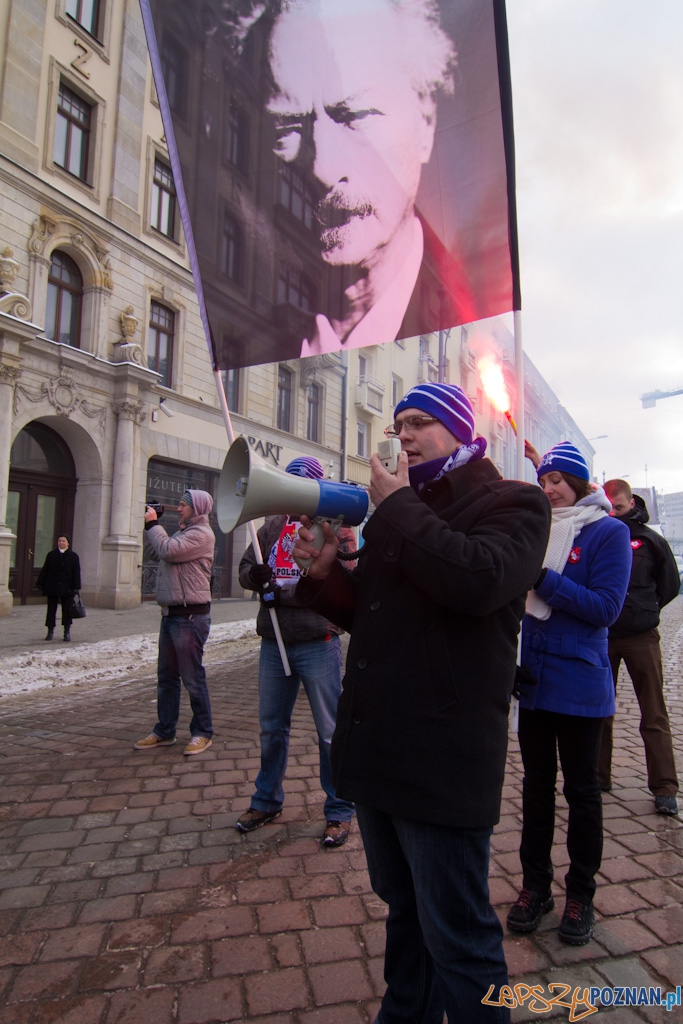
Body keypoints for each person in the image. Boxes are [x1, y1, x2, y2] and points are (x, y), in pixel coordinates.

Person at [292, 383, 551, 1022]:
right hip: (380, 750)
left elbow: (478, 579)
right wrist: (327, 577)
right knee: (404, 913)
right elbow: (377, 614)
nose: (402, 435)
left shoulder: (514, 503)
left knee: (459, 938)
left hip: (441, 755)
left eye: (420, 423)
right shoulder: (405, 511)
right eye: (400, 424)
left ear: (461, 431)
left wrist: (400, 508)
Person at [265, 0, 468, 357]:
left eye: (354, 116)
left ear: (424, 121)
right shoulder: (258, 328)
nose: (321, 169)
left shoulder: (461, 311)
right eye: (289, 126)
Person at [507, 442, 631, 946]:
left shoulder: (609, 531)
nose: (549, 488)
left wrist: (543, 579)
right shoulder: (539, 531)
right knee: (535, 790)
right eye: (544, 480)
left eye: (558, 480)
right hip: (533, 680)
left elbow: (605, 608)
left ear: (580, 483)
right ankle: (536, 886)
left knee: (581, 793)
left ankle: (581, 891)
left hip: (580, 684)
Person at [236, 456, 356, 848]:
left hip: (317, 644)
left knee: (329, 733)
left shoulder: (335, 527)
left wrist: (281, 592)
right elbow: (245, 569)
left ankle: (339, 809)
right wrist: (254, 578)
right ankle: (266, 800)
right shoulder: (270, 527)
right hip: (274, 643)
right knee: (272, 729)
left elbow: (341, 582)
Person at [599, 479, 680, 815]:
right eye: (608, 508)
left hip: (641, 637)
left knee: (654, 713)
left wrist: (646, 609)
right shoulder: (599, 536)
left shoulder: (650, 540)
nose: (612, 514)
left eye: (617, 507)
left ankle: (664, 788)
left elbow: (671, 584)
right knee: (599, 711)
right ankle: (597, 776)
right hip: (602, 635)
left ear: (631, 503)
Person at [135, 490, 215, 756]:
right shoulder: (184, 532)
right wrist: (153, 527)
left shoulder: (202, 535)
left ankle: (202, 732)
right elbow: (159, 550)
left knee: (192, 678)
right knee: (166, 677)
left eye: (183, 505)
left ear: (197, 508)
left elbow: (168, 551)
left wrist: (153, 524)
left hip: (190, 616)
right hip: (172, 613)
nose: (179, 509)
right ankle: (165, 731)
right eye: (179, 504)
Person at [36, 534, 81, 642]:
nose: (61, 543)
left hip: (68, 588)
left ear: (68, 543)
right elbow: (45, 569)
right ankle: (50, 631)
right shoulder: (51, 555)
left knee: (67, 611)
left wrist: (76, 587)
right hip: (52, 586)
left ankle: (67, 632)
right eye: (59, 541)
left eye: (63, 541)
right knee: (51, 610)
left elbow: (76, 573)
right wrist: (40, 583)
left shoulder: (73, 556)